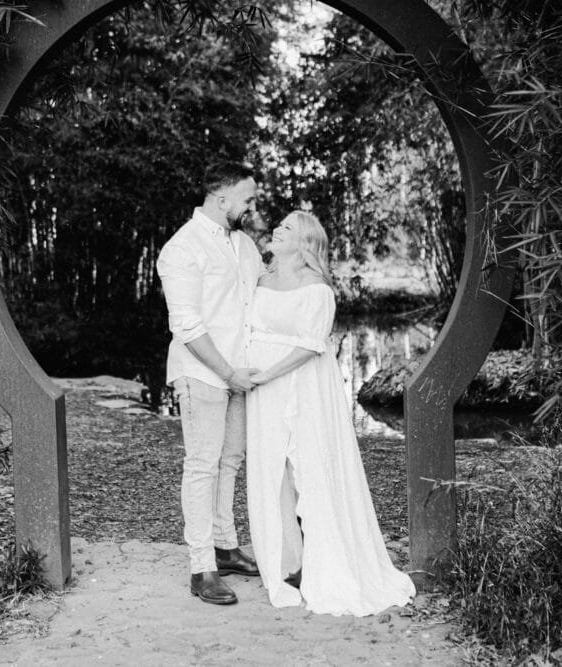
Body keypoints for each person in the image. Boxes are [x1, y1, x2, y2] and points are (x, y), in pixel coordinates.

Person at [245, 210, 416, 616]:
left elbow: (310, 345)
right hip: (261, 394)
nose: (276, 229)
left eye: (287, 228)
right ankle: (289, 562)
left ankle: (328, 562)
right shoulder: (260, 280)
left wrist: (265, 374)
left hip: (303, 387)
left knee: (313, 470)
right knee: (272, 473)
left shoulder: (318, 290)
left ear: (304, 243)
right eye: (279, 225)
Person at [156, 161, 264, 606]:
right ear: (222, 199)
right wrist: (227, 372)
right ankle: (202, 568)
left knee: (230, 461)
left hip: (241, 373)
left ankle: (225, 546)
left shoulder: (245, 245)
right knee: (202, 464)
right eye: (248, 199)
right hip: (202, 373)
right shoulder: (181, 248)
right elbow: (187, 326)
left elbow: (263, 297)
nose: (253, 206)